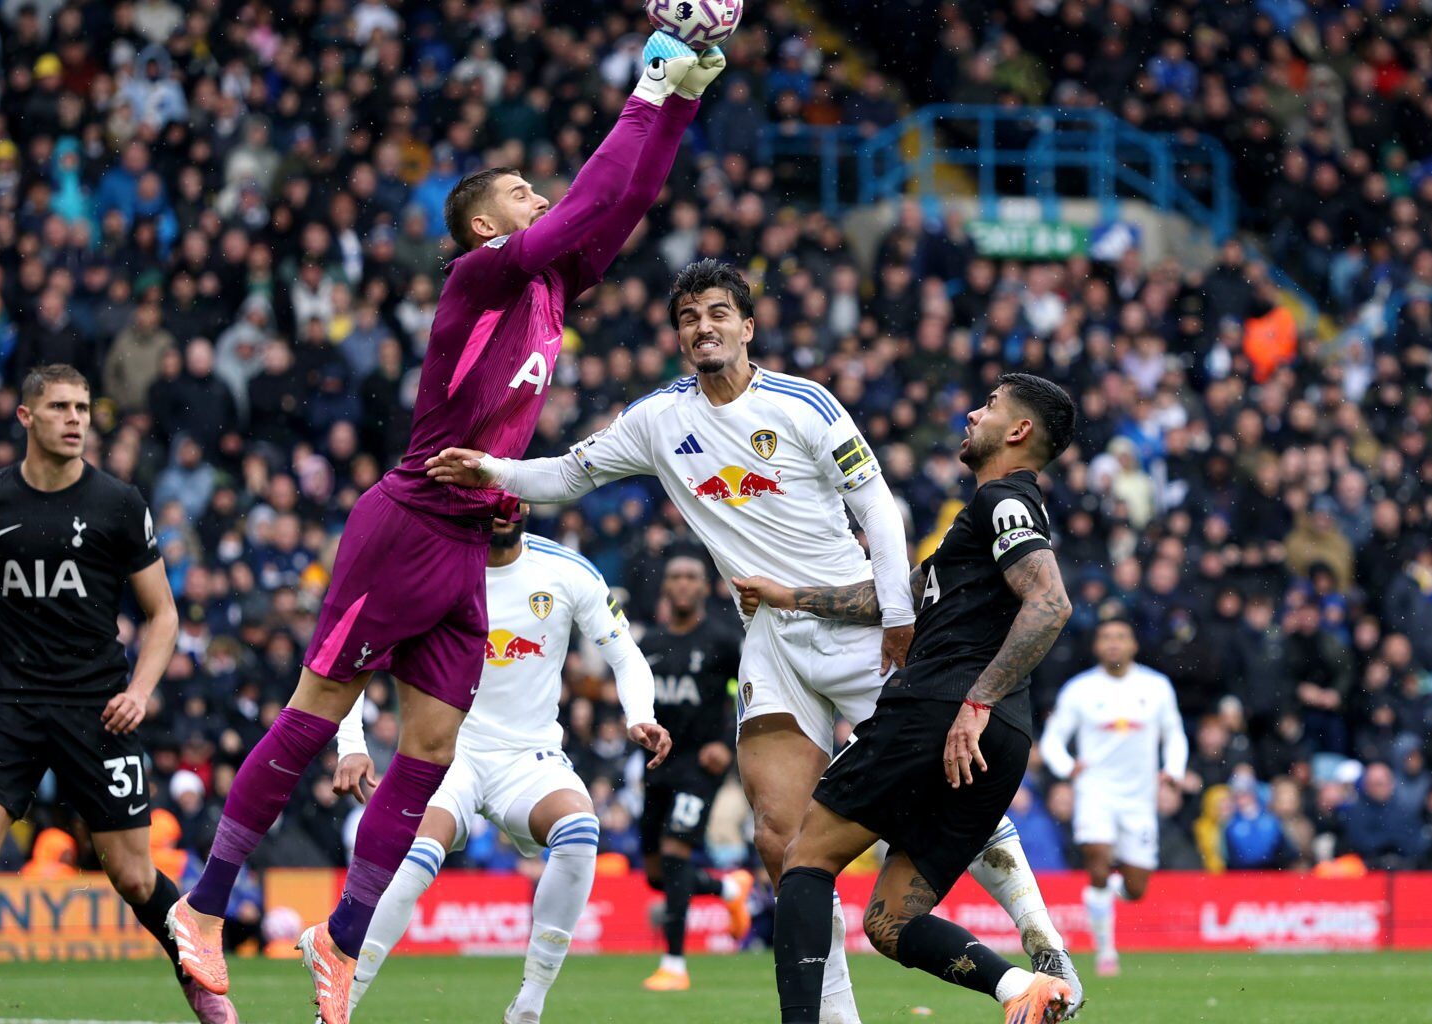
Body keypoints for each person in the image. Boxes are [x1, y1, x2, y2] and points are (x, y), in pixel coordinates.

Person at [167, 36, 728, 1024]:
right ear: (479, 223)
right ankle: (203, 904)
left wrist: (687, 93)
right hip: (409, 518)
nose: (537, 198)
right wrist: (647, 79)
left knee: (427, 749)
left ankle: (341, 940)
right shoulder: (481, 279)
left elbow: (624, 204)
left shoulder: (550, 285)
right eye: (519, 189)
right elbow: (592, 203)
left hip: (468, 538)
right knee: (311, 716)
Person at [432, 264, 1078, 1020]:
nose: (701, 327)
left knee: (953, 777)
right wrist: (491, 469)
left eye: (717, 313)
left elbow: (873, 501)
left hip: (857, 630)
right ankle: (836, 1015)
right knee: (782, 839)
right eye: (686, 318)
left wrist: (898, 613)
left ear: (747, 326)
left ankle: (1043, 939)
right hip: (769, 640)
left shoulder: (803, 404)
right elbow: (570, 475)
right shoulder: (656, 421)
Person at [0, 365, 226, 1024]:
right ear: (26, 418)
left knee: (131, 874)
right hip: (5, 699)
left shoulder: (118, 504)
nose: (76, 419)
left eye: (82, 408)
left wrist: (142, 688)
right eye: (61, 408)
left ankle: (195, 974)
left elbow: (162, 616)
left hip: (95, 705)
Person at [762, 374, 1080, 1024]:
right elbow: (889, 600)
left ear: (1018, 432)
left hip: (939, 709)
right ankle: (1021, 987)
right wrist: (788, 597)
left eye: (990, 406)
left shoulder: (1006, 502)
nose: (971, 412)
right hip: (999, 745)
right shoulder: (977, 526)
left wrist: (976, 700)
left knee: (805, 856)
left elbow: (1050, 602)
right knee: (889, 923)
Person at [332, 509, 667, 1023]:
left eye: (513, 497)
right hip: (446, 751)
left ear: (527, 504)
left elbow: (625, 654)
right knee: (414, 855)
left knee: (580, 830)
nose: (504, 508)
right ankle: (339, 1006)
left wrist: (639, 715)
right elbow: (352, 653)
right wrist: (351, 743)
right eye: (492, 497)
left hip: (528, 757)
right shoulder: (427, 568)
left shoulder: (567, 570)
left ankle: (528, 1007)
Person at [1037, 618, 1187, 977]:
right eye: (1106, 637)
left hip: (1139, 797)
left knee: (1136, 888)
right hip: (1096, 791)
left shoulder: (1156, 686)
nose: (1114, 643)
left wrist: (1174, 772)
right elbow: (1053, 739)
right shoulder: (1080, 690)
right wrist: (1066, 767)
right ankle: (1106, 952)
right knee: (1098, 856)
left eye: (1121, 636)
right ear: (1097, 646)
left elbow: (1175, 734)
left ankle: (1105, 895)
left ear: (1134, 644)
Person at [637, 556, 753, 991]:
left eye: (691, 577)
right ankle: (728, 892)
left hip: (699, 769)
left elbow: (745, 693)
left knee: (675, 853)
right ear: (665, 587)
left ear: (705, 587)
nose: (682, 584)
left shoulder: (723, 641)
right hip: (656, 766)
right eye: (674, 577)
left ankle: (674, 965)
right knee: (655, 873)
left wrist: (726, 743)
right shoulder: (649, 642)